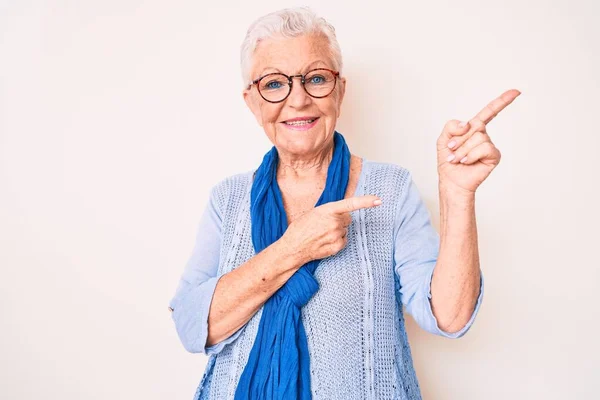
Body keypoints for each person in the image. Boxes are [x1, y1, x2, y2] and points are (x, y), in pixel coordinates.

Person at [168, 6, 520, 400]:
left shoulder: (391, 187)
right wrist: (293, 248)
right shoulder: (227, 198)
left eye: (316, 78)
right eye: (274, 84)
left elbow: (450, 317)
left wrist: (458, 196)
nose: (298, 100)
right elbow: (191, 325)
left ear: (339, 90)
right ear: (252, 101)